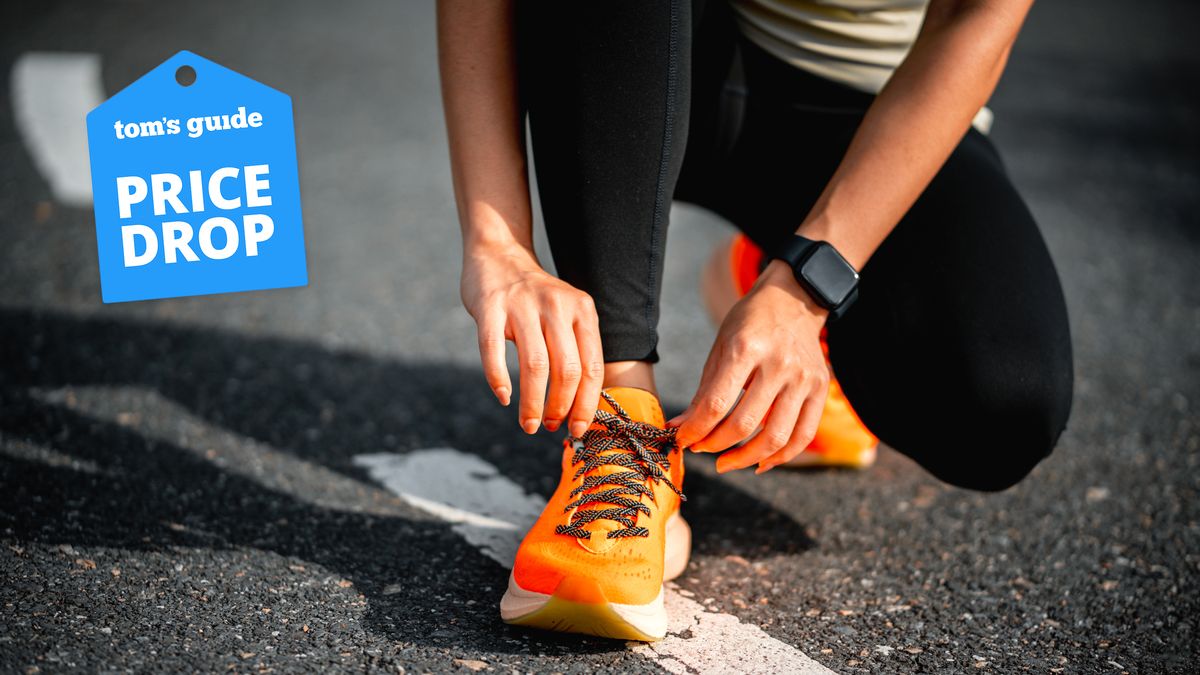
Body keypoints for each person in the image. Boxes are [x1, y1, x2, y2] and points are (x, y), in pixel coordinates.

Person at [437, 0, 1073, 641]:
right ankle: (624, 431)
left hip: (876, 115)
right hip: (652, 55)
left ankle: (769, 282)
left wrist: (804, 287)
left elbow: (978, 20)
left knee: (999, 406)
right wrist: (498, 244)